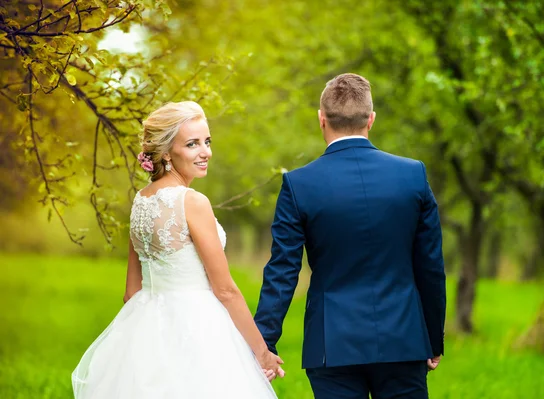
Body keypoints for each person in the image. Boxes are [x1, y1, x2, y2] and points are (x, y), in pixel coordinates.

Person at [254, 73, 446, 398]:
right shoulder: (412, 175)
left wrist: (263, 343)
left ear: (321, 119)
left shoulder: (299, 185)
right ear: (371, 119)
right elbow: (430, 265)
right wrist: (431, 338)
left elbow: (282, 272)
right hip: (404, 339)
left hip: (332, 345)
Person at [72, 101, 282, 398]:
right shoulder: (192, 202)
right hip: (198, 328)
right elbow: (225, 290)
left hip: (146, 326)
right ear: (167, 153)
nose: (205, 152)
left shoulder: (140, 201)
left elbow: (131, 292)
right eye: (192, 144)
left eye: (207, 142)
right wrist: (261, 353)